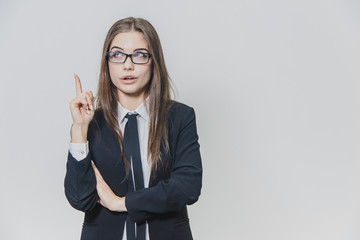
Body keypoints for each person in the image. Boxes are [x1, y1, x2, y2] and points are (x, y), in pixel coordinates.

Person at [64, 17, 202, 240]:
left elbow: (188, 186)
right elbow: (80, 199)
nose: (127, 65)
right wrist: (79, 131)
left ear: (154, 61)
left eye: (139, 54)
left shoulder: (180, 117)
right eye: (117, 55)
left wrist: (121, 203)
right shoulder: (91, 122)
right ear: (107, 62)